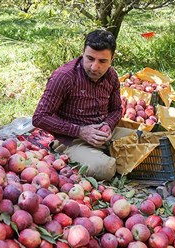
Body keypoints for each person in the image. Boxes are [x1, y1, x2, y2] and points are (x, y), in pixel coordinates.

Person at [32, 29, 132, 181]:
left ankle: (107, 155)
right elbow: (39, 117)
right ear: (83, 52)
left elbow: (117, 110)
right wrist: (80, 131)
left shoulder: (111, 75)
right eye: (90, 58)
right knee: (105, 169)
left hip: (103, 133)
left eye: (102, 61)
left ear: (112, 58)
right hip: (71, 139)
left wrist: (107, 124)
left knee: (149, 142)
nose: (94, 67)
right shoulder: (64, 77)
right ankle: (103, 159)